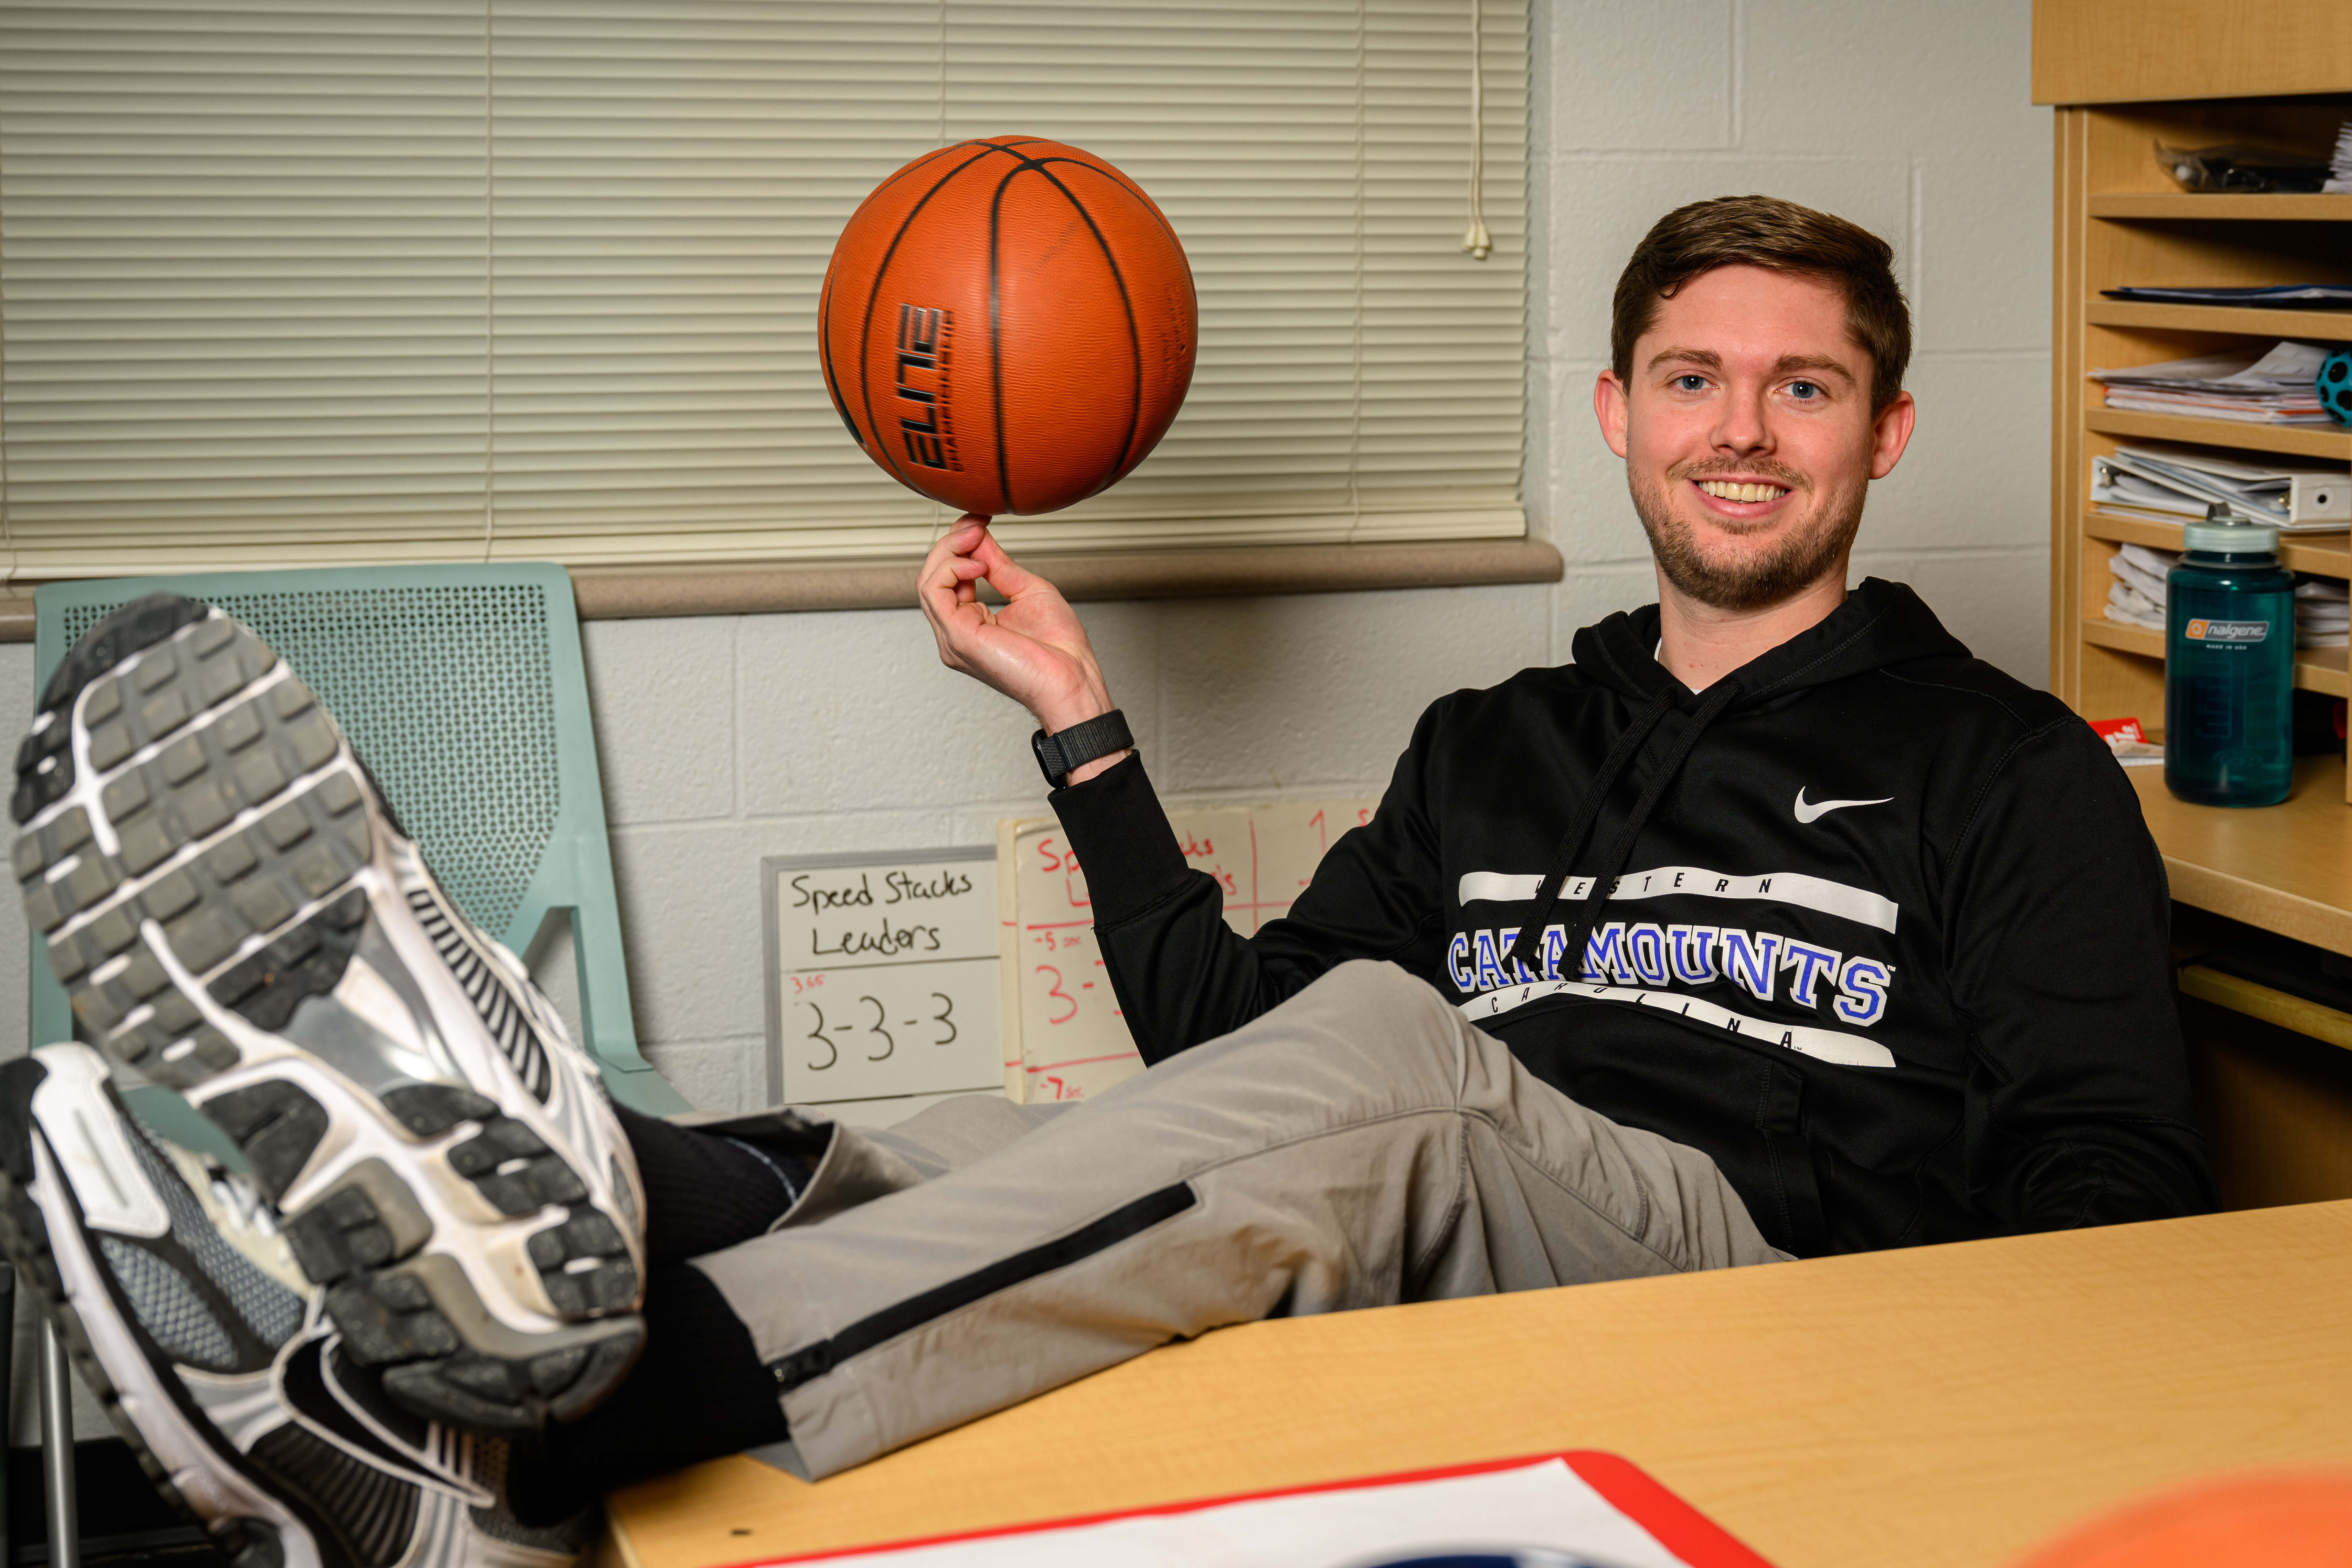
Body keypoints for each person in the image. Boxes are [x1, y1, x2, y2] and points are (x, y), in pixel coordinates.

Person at [0, 196, 2212, 1567]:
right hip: (1433, 1218)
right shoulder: (1494, 747)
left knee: (1386, 1057)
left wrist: (1890, 1429)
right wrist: (1073, 716)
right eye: (1696, 380)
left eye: (1802, 387)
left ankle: (501, 1427)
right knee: (989, 1141)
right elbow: (1225, 1064)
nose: (1745, 429)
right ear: (1617, 413)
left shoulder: (2004, 773)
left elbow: (2116, 1204)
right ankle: (544, 1223)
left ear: (1881, 434)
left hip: (1749, 1289)